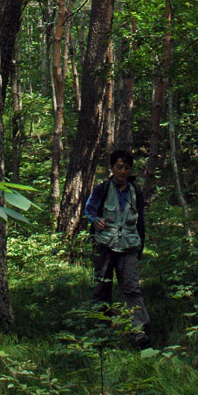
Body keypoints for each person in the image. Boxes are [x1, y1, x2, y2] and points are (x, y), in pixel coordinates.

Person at [85, 149, 151, 349]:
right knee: (102, 288)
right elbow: (90, 208)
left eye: (126, 168)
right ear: (112, 168)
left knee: (131, 288)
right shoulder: (102, 189)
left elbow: (140, 219)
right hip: (105, 246)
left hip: (129, 247)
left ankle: (138, 332)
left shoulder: (135, 191)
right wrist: (94, 220)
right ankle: (101, 330)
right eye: (119, 167)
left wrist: (141, 244)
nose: (122, 171)